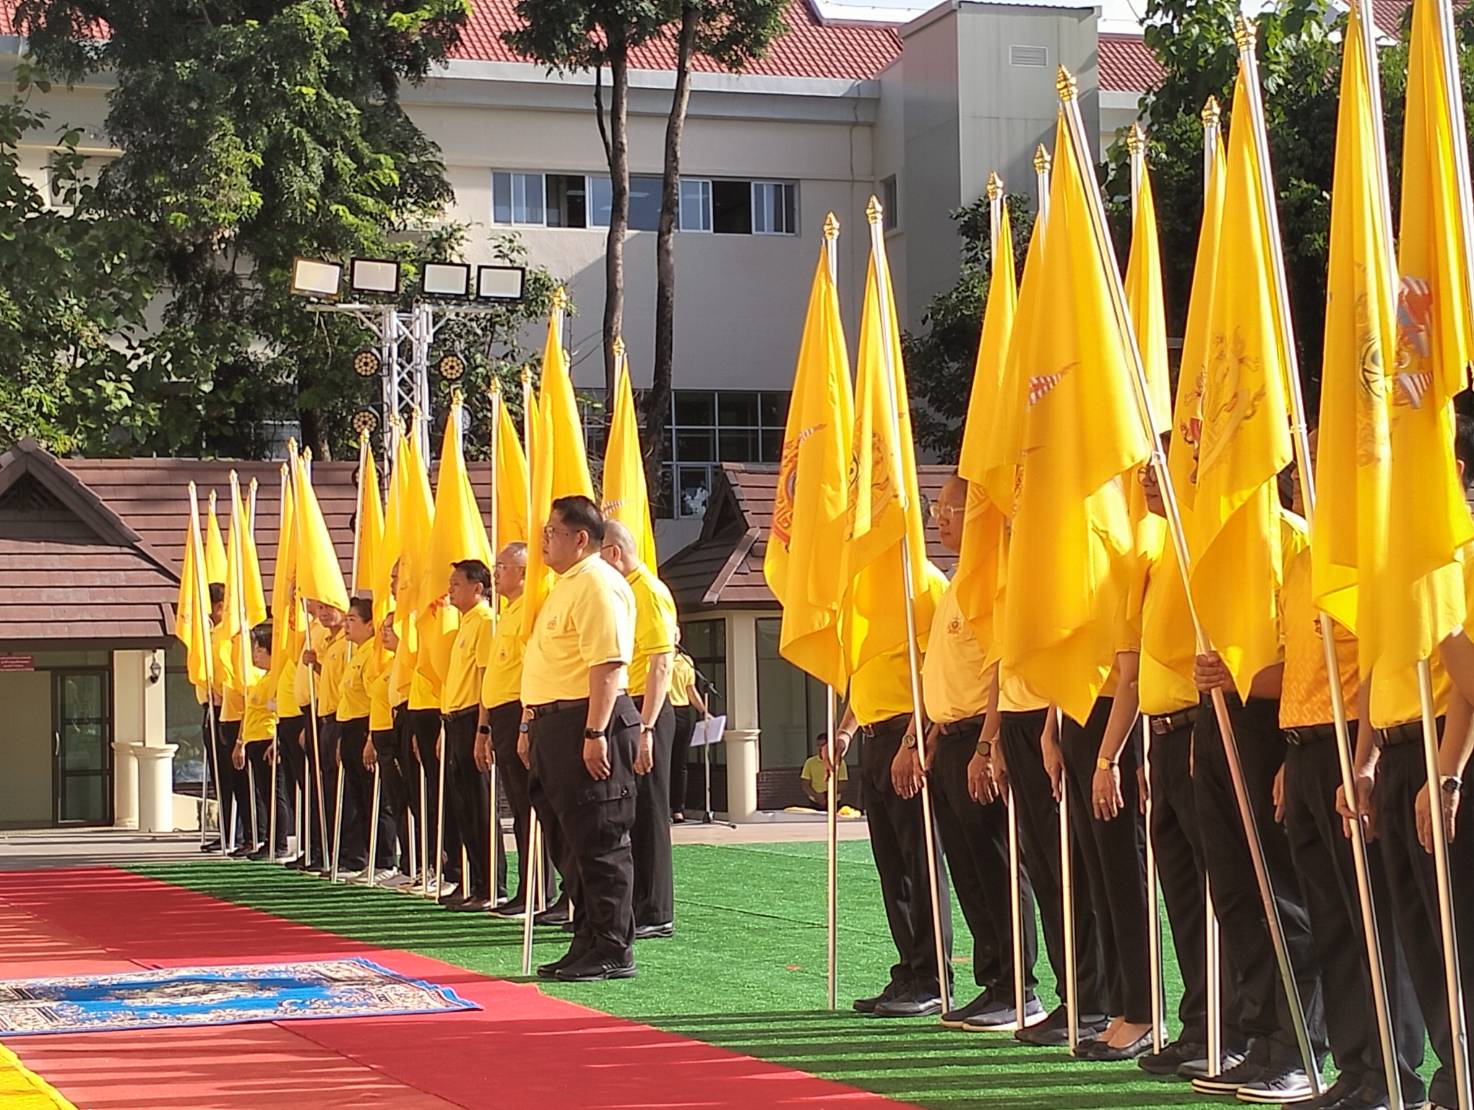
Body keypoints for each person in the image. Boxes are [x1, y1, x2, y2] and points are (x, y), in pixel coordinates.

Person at [1274, 469, 1427, 1110]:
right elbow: (1299, 669)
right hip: (1304, 749)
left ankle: (1397, 1070)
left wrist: (1358, 760)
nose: (1314, 481)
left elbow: (1371, 669)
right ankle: (1356, 1064)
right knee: (1334, 920)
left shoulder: (1367, 559)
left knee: (1374, 921)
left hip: (1350, 750)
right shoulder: (1305, 561)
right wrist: (1288, 756)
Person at [1189, 502, 1327, 1103]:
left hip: (1270, 722)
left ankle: (1302, 1046)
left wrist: (1239, 676)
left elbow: (1308, 660)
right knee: (1235, 893)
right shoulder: (1211, 538)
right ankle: (1262, 1037)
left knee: (1283, 897)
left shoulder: (1294, 539)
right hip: (1217, 719)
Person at [923, 474, 1041, 1032]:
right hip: (948, 738)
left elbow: (997, 667)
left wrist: (989, 744)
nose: (940, 519)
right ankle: (993, 980)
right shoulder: (955, 581)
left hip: (978, 738)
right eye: (938, 508)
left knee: (997, 866)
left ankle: (1019, 986)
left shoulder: (990, 582)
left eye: (950, 509)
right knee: (968, 870)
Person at [1135, 459, 1234, 1079]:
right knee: (1183, 895)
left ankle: (1234, 1027)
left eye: (1160, 468)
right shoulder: (1163, 549)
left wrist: (1201, 728)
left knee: (1221, 891)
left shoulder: (1206, 546)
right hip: (1164, 736)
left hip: (1201, 729)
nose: (1147, 479)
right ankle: (1201, 1021)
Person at [521, 495, 640, 983]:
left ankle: (613, 946)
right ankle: (588, 936)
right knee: (569, 841)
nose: (544, 540)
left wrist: (595, 731)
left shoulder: (595, 583)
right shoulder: (564, 585)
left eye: (552, 532)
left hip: (587, 722)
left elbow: (607, 663)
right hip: (556, 723)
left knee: (599, 838)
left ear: (581, 538)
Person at [832, 615, 954, 1018]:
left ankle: (933, 978)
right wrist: (846, 730)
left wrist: (911, 741)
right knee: (892, 868)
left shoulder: (917, 592)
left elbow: (933, 680)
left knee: (920, 865)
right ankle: (909, 970)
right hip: (872, 738)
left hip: (905, 736)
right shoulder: (867, 606)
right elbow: (865, 684)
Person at [600, 520, 679, 940]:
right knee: (633, 809)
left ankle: (656, 908)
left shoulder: (647, 591)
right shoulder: (626, 591)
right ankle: (639, 902)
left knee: (649, 811)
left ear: (614, 552)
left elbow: (660, 663)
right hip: (633, 708)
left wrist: (646, 726)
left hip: (649, 711)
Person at [478, 543, 559, 919]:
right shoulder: (507, 613)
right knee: (520, 809)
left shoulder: (530, 612)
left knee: (531, 807)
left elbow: (530, 672)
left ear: (525, 573)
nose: (496, 573)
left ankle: (540, 888)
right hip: (500, 715)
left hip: (518, 711)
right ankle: (528, 888)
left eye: (503, 566)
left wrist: (525, 722)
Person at [442, 559, 506, 912]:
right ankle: (472, 879)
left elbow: (485, 679)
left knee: (480, 806)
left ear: (477, 588)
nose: (450, 590)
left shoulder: (485, 621)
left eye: (456, 584)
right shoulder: (465, 623)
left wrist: (484, 728)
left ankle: (490, 883)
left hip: (472, 719)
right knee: (463, 807)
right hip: (455, 720)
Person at [337, 597, 394, 882]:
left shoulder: (373, 657)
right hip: (348, 727)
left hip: (364, 727)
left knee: (375, 798)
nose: (346, 624)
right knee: (359, 797)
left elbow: (375, 701)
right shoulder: (356, 655)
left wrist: (370, 738)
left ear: (370, 625)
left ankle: (386, 859)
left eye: (352, 620)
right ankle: (366, 857)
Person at [307, 602, 351, 876]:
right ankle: (335, 852)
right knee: (329, 788)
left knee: (345, 791)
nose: (323, 613)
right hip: (326, 718)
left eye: (329, 606)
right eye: (320, 608)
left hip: (342, 718)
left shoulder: (349, 644)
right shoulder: (328, 642)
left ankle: (350, 855)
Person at [233, 625, 277, 859]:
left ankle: (275, 842)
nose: (255, 654)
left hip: (267, 739)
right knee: (261, 792)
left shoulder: (274, 680)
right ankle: (265, 839)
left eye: (260, 650)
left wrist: (275, 742)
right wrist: (240, 741)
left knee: (273, 794)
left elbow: (276, 711)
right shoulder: (261, 679)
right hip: (253, 739)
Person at [200, 583, 228, 854]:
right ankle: (226, 831)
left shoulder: (226, 635)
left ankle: (238, 831)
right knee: (219, 775)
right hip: (210, 706)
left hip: (226, 707)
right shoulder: (207, 634)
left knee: (231, 776)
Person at [668, 632, 705, 823]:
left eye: (677, 634)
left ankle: (678, 809)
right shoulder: (657, 657)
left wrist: (704, 712)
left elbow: (691, 690)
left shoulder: (686, 661)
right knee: (661, 762)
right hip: (663, 710)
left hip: (682, 711)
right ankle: (661, 808)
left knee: (679, 763)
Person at [801, 734, 848, 810]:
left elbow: (843, 783)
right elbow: (805, 784)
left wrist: (828, 795)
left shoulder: (839, 762)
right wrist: (817, 796)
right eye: (818, 745)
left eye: (823, 745)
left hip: (834, 801)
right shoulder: (810, 762)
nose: (820, 748)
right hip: (815, 802)